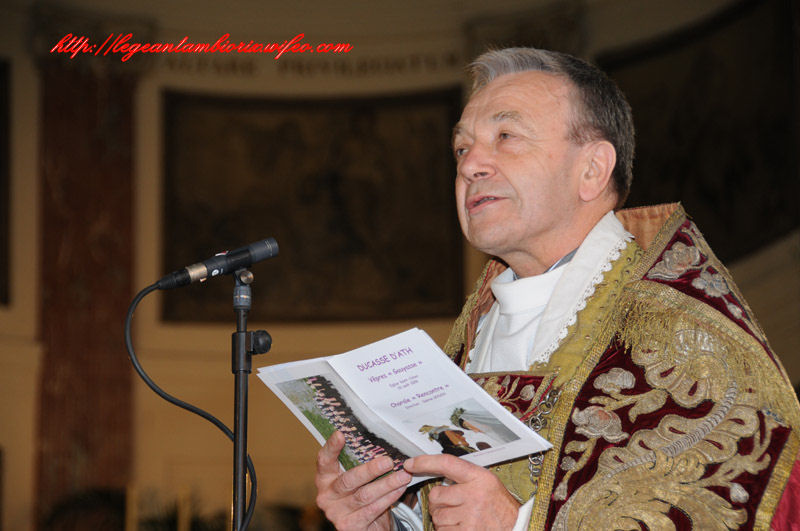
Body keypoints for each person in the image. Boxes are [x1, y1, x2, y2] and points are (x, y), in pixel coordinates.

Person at [313, 47, 800, 530]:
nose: (470, 165)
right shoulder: (469, 338)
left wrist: (518, 524)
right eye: (462, 149)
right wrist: (384, 521)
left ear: (592, 170)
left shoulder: (682, 334)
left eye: (506, 137)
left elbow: (741, 510)